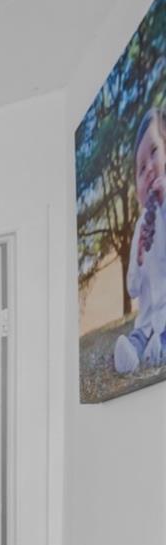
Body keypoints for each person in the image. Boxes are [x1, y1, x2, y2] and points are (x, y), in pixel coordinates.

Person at [117, 107, 166, 374]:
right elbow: (133, 289)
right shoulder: (139, 229)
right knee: (137, 337)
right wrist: (136, 259)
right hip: (146, 322)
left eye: (154, 152)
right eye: (141, 168)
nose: (148, 169)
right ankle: (134, 352)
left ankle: (157, 346)